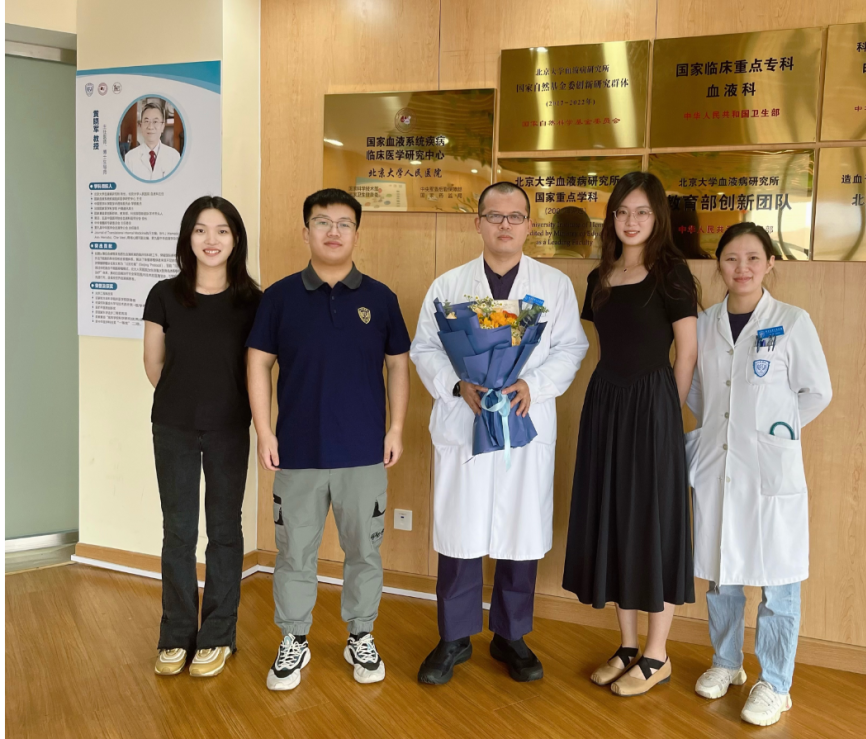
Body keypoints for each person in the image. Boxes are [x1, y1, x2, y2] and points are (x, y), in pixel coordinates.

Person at [411, 182, 589, 686]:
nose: (504, 225)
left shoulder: (553, 285)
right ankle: (454, 637)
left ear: (529, 225)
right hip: (465, 419)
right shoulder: (449, 286)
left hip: (523, 422)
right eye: (494, 216)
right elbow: (425, 348)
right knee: (460, 532)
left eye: (515, 217)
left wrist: (535, 384)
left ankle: (511, 636)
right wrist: (456, 384)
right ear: (478, 223)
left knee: (520, 532)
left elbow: (571, 348)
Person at [246, 188, 411, 691]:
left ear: (357, 233)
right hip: (297, 453)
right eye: (322, 222)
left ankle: (360, 634)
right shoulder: (279, 297)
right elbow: (258, 363)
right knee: (295, 553)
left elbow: (398, 366)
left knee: (364, 552)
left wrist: (396, 428)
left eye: (344, 223)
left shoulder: (381, 298)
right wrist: (264, 430)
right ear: (306, 232)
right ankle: (294, 638)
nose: (333, 231)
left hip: (364, 453)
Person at [686, 222, 832, 726]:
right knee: (722, 574)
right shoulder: (704, 323)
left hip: (770, 469)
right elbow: (697, 391)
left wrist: (775, 435)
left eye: (753, 258)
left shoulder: (791, 321)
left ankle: (775, 683)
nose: (742, 268)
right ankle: (727, 662)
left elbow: (817, 391)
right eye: (731, 258)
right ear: (719, 265)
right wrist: (725, 429)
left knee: (778, 579)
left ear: (770, 263)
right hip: (718, 463)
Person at [562, 171, 699, 697]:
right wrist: (614, 401)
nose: (631, 221)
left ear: (657, 216)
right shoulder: (599, 276)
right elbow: (604, 347)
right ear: (612, 218)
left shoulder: (672, 274)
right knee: (614, 519)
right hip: (606, 405)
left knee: (653, 524)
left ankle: (657, 655)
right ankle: (626, 646)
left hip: (653, 408)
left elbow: (686, 353)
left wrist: (665, 412)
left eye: (641, 211)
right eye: (622, 212)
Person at [142, 196, 262, 678]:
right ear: (187, 238)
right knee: (178, 532)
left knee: (225, 531)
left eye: (222, 231)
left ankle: (217, 634)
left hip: (230, 428)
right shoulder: (164, 294)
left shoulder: (253, 301)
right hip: (173, 427)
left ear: (236, 240)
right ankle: (176, 635)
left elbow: (260, 369)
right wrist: (186, 402)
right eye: (200, 230)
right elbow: (154, 364)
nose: (211, 240)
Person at [124, 101, 181, 180]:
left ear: (162, 126)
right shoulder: (129, 158)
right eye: (146, 121)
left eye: (155, 121)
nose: (150, 127)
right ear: (141, 125)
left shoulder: (174, 156)